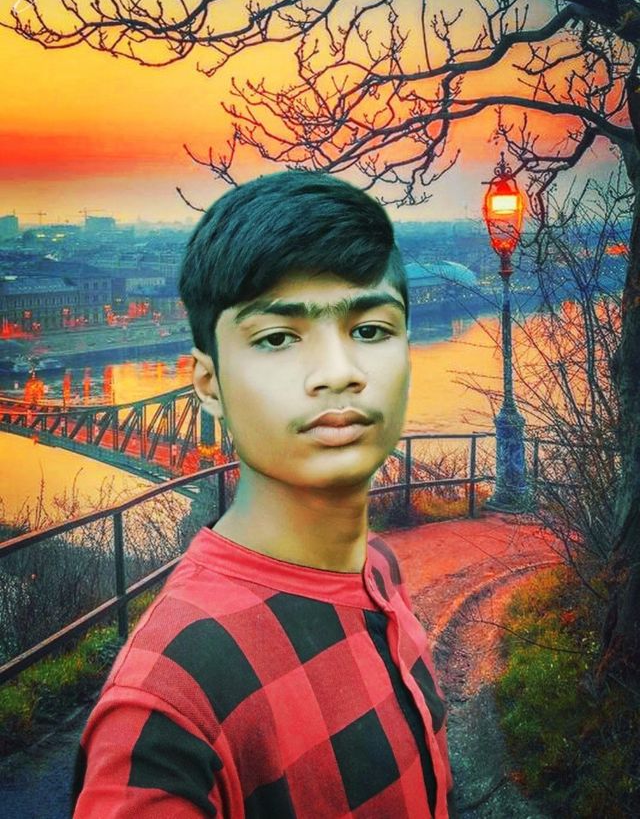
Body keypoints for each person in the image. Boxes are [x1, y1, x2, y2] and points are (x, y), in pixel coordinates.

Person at [71, 170, 458, 818]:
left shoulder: (379, 569)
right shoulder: (166, 710)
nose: (339, 372)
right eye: (277, 338)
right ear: (207, 383)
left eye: (370, 329)